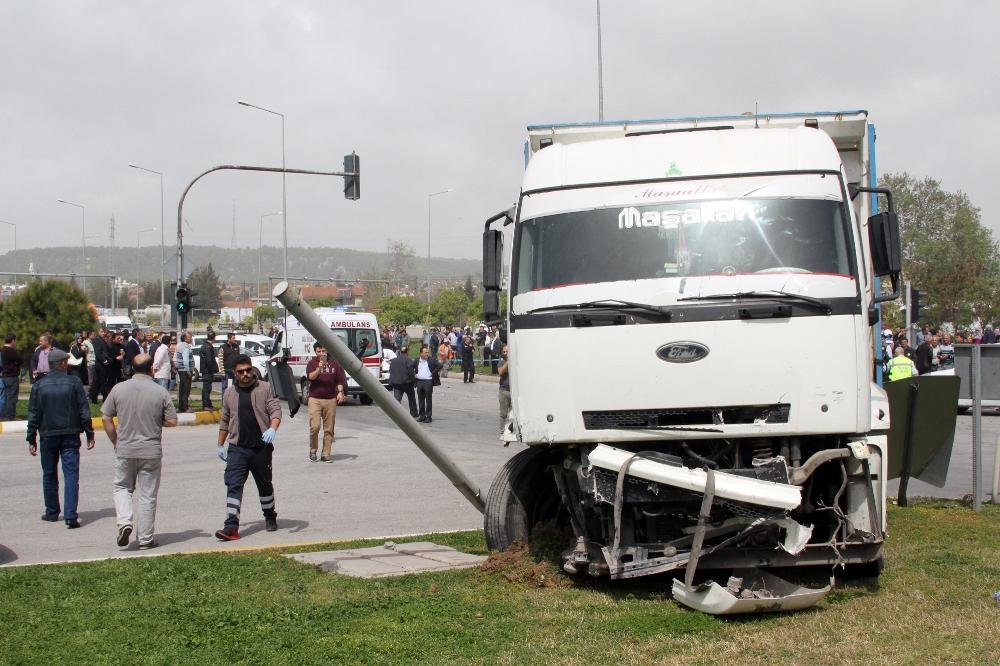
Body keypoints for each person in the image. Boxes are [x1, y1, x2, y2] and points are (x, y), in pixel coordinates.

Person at [101, 353, 178, 549]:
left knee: (122, 488)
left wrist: (115, 441)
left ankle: (124, 522)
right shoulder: (160, 392)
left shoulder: (118, 389)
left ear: (132, 369)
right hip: (151, 450)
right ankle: (145, 539)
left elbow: (105, 418)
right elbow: (172, 420)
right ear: (152, 368)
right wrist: (156, 420)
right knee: (147, 495)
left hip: (125, 448)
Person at [26, 348, 95, 528]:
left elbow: (33, 413)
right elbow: (83, 410)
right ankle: (70, 515)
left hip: (47, 435)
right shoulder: (74, 382)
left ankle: (51, 512)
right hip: (70, 434)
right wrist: (89, 432)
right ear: (62, 364)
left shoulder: (39, 385)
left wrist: (31, 437)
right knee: (71, 475)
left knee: (49, 474)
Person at [215, 354, 282, 541]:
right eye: (240, 371)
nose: (245, 374)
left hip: (261, 447)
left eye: (248, 370)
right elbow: (225, 420)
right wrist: (220, 444)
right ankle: (231, 527)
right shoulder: (229, 393)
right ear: (234, 374)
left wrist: (272, 428)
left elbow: (275, 410)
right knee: (233, 484)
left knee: (264, 485)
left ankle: (270, 516)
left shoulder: (265, 388)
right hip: (238, 449)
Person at [305, 343, 347, 462]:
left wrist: (340, 392)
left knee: (329, 428)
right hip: (315, 398)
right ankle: (313, 450)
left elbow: (339, 380)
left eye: (324, 351)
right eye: (319, 351)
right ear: (315, 352)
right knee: (315, 426)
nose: (322, 353)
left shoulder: (334, 363)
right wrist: (319, 367)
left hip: (330, 399)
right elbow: (310, 377)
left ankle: (325, 454)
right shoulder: (312, 363)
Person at [387, 345, 418, 417]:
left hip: (396, 383)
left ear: (401, 352)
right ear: (407, 352)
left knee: (397, 400)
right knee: (411, 399)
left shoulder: (394, 360)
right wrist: (414, 381)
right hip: (407, 383)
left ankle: (395, 414)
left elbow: (391, 370)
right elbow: (410, 371)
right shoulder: (408, 360)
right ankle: (414, 413)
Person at [414, 344, 442, 423]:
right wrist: (413, 374)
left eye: (427, 352)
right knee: (420, 400)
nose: (427, 354)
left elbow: (440, 366)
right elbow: (410, 367)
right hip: (419, 382)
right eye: (425, 352)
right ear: (421, 353)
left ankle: (428, 417)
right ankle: (422, 416)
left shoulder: (431, 360)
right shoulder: (417, 360)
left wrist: (432, 373)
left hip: (428, 382)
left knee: (428, 400)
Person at [1, 333, 22, 420]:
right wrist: (15, 364)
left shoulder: (2, 350)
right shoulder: (11, 350)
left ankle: (3, 415)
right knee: (12, 397)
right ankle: (10, 416)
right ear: (13, 340)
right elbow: (20, 360)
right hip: (12, 376)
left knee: (4, 396)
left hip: (4, 376)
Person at [88, 329, 110, 403]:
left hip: (102, 364)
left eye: (104, 332)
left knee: (98, 382)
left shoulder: (102, 340)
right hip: (100, 364)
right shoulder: (97, 340)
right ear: (98, 332)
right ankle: (97, 398)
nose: (104, 333)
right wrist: (104, 360)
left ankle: (96, 397)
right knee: (100, 382)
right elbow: (98, 352)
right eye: (102, 332)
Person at [199, 332, 219, 410]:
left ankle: (208, 404)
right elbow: (209, 360)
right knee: (206, 389)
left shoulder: (206, 345)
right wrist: (213, 370)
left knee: (208, 388)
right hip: (207, 371)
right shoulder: (207, 347)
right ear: (214, 338)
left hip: (207, 370)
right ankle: (206, 405)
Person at [175, 331, 194, 412]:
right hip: (185, 370)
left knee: (182, 389)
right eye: (190, 337)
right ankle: (184, 407)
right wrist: (188, 371)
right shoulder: (185, 347)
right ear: (185, 338)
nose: (191, 338)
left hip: (181, 370)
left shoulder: (180, 345)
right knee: (186, 389)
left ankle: (181, 406)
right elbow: (185, 360)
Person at [498, 344, 511, 422]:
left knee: (513, 414)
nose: (505, 353)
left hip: (514, 392)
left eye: (507, 352)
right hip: (504, 391)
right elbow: (500, 372)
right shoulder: (501, 362)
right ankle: (502, 431)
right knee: (503, 414)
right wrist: (507, 362)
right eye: (504, 352)